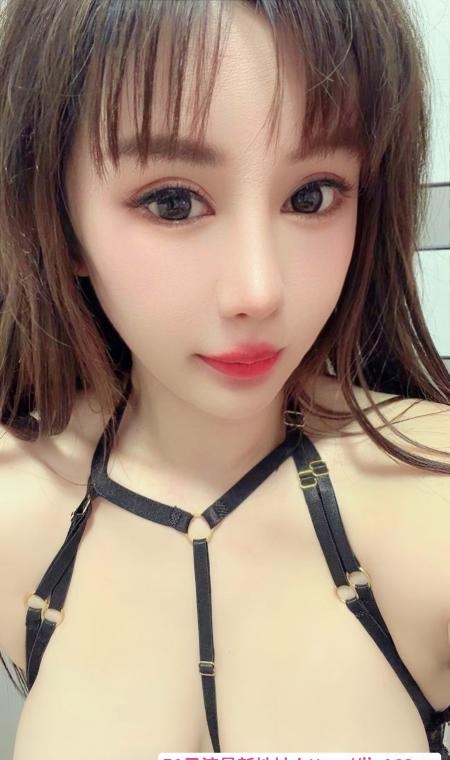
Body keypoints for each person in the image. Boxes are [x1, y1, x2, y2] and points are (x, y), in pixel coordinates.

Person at [0, 0, 449, 757]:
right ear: (60, 219)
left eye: (312, 196)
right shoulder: (16, 507)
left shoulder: (432, 498)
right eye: (173, 202)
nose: (258, 292)